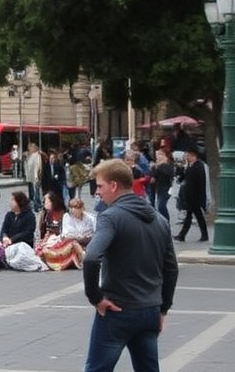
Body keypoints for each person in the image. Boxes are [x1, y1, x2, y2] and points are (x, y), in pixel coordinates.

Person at [83, 159, 179, 372]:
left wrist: (96, 298)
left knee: (97, 369)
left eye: (100, 186)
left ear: (114, 185)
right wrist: (162, 309)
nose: (98, 192)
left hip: (118, 309)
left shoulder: (110, 217)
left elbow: (90, 258)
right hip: (149, 310)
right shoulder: (159, 219)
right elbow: (171, 268)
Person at [174, 148, 208, 242]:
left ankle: (184, 235)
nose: (186, 158)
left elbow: (193, 179)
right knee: (192, 216)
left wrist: (186, 168)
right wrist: (181, 168)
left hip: (195, 196)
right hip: (190, 196)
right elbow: (182, 178)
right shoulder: (190, 166)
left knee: (196, 216)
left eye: (188, 156)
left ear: (193, 156)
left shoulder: (198, 166)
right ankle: (183, 235)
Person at [150, 150, 174, 221]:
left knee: (161, 205)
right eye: (157, 155)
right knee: (160, 206)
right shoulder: (157, 165)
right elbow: (154, 176)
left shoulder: (168, 165)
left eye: (160, 155)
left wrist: (158, 167)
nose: (158, 157)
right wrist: (154, 168)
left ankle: (166, 221)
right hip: (159, 188)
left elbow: (168, 174)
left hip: (167, 188)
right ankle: (163, 221)